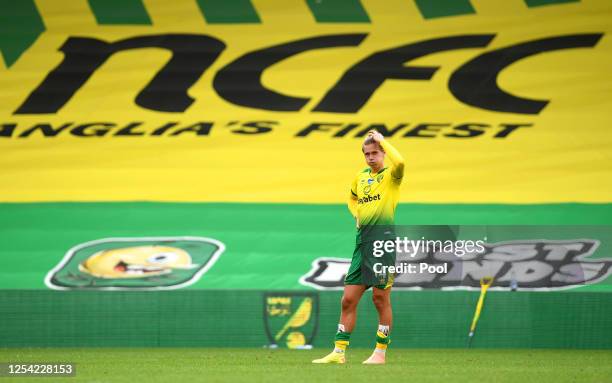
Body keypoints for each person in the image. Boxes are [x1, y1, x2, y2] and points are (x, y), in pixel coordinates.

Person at [312, 129, 405, 365]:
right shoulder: (361, 177)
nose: (371, 157)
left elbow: (402, 161)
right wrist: (356, 215)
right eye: (367, 154)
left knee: (380, 299)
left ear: (383, 153)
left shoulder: (391, 176)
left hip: (382, 245)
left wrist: (383, 139)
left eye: (375, 152)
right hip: (362, 244)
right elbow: (352, 199)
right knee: (348, 299)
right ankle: (338, 352)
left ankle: (380, 353)